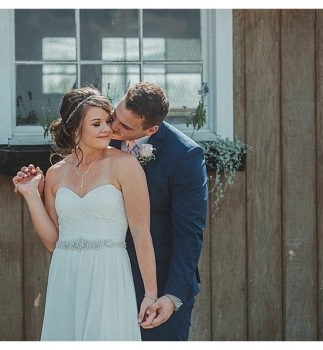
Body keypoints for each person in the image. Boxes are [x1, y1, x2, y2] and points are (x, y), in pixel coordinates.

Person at [12, 87, 158, 341]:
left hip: (108, 272)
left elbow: (141, 233)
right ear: (75, 129)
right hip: (66, 273)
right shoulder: (56, 173)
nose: (107, 129)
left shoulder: (125, 165)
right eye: (96, 124)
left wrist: (150, 294)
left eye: (107, 121)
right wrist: (31, 194)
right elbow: (53, 242)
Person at [107, 82, 208, 341]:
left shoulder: (184, 156)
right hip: (106, 279)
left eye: (125, 126)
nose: (113, 127)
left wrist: (172, 297)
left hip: (161, 284)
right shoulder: (101, 138)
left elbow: (189, 234)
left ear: (151, 129)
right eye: (115, 114)